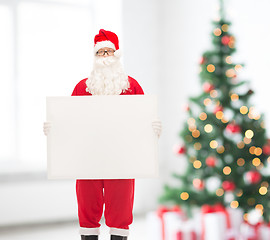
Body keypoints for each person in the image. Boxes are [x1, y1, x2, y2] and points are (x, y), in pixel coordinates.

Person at [44, 29, 162, 240]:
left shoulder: (132, 86)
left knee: (121, 208)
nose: (105, 56)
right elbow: (69, 120)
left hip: (122, 160)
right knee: (87, 206)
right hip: (88, 160)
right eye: (101, 53)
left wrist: (152, 129)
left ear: (117, 55)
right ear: (95, 56)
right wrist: (54, 129)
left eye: (109, 52)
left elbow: (142, 119)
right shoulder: (82, 87)